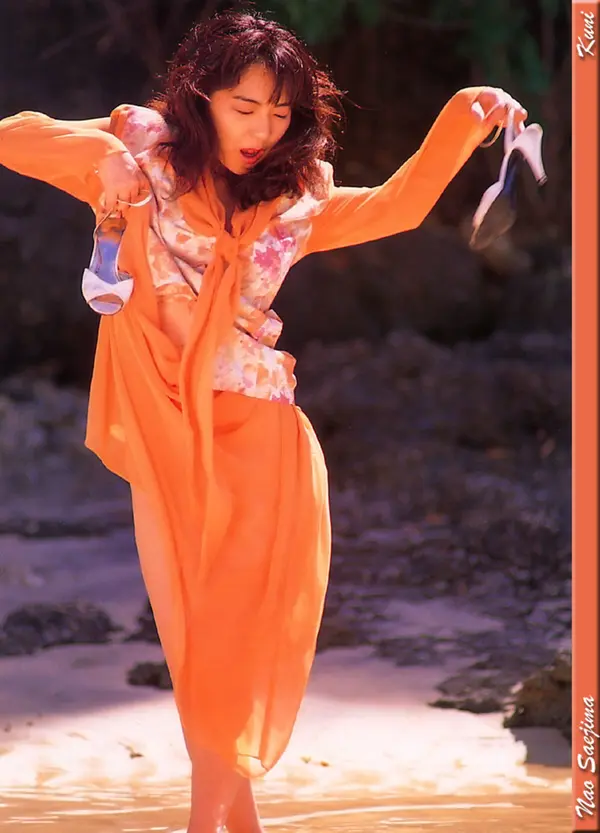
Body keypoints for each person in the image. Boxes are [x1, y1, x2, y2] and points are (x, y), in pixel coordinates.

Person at [0, 9, 528, 833]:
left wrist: (466, 116)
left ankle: (202, 824)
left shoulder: (293, 201)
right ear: (201, 96)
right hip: (164, 428)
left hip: (256, 434)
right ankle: (237, 821)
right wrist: (105, 161)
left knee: (227, 640)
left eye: (279, 113)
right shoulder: (143, 156)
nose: (262, 130)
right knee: (191, 641)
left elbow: (397, 205)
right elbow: (12, 137)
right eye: (244, 107)